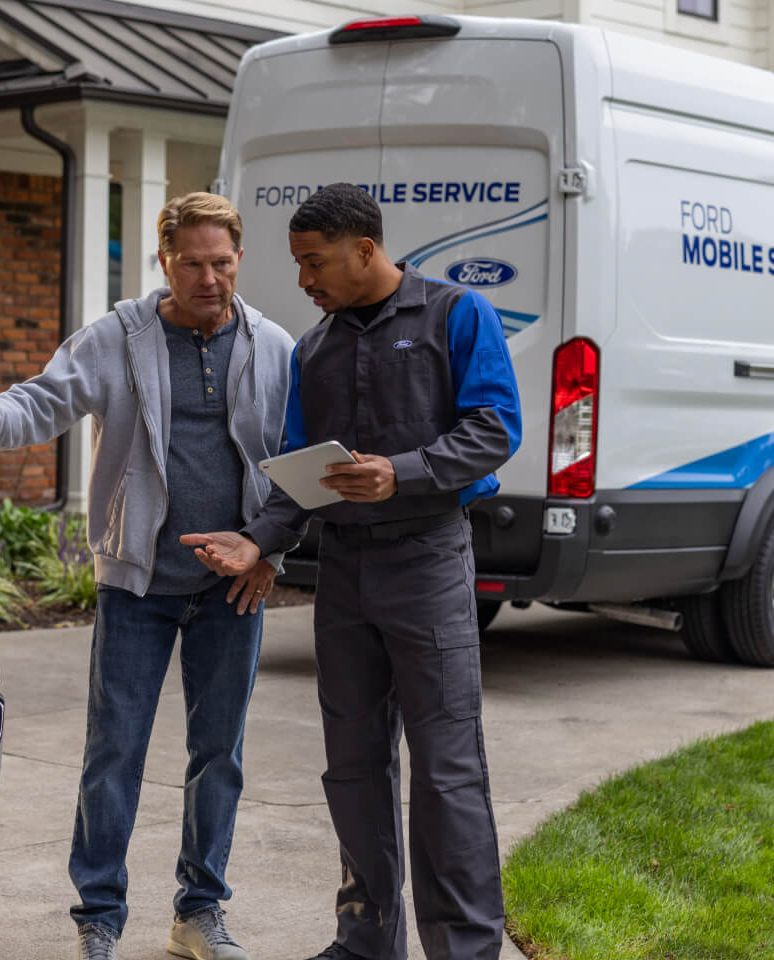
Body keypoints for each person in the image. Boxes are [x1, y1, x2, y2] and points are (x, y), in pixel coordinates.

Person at [0, 193, 294, 960]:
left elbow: (290, 460)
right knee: (114, 752)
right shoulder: (120, 338)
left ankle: (199, 911)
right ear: (165, 260)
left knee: (220, 753)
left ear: (239, 259)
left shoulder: (275, 345)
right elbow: (44, 401)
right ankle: (99, 919)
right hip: (137, 583)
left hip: (233, 589)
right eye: (192, 263)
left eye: (222, 262)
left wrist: (271, 551)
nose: (209, 278)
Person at [182, 183, 524, 960]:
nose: (304, 281)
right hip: (344, 576)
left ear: (364, 249)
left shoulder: (455, 314)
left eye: (314, 262)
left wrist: (401, 472)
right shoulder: (317, 349)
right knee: (353, 766)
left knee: (446, 769)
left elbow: (495, 426)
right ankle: (365, 940)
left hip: (428, 560)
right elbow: (300, 474)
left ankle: (464, 949)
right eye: (298, 264)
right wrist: (257, 540)